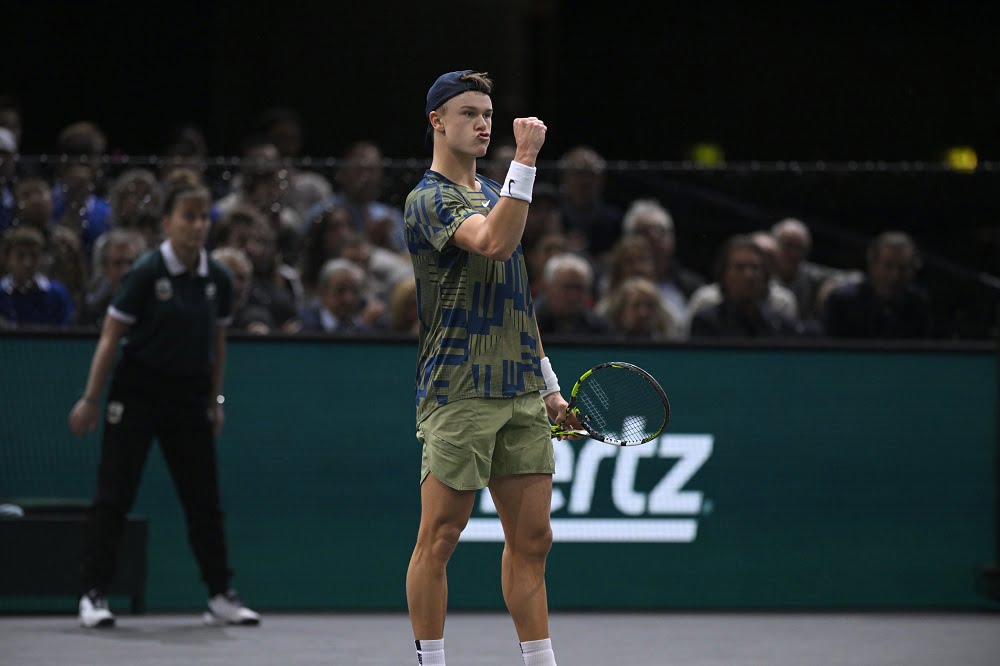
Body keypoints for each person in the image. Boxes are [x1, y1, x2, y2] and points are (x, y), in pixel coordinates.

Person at [402, 70, 580, 666]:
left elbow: (516, 297)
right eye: (469, 113)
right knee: (440, 538)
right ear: (437, 121)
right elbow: (493, 244)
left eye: (487, 114)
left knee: (534, 540)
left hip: (521, 390)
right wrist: (525, 159)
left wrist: (549, 387)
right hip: (458, 389)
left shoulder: (493, 192)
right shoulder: (428, 199)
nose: (483, 124)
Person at [66, 169, 260, 629]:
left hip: (189, 397)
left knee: (203, 500)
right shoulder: (146, 272)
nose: (198, 226)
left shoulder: (218, 278)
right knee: (114, 495)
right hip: (137, 391)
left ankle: (220, 595)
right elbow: (111, 337)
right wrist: (91, 399)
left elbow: (217, 345)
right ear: (167, 222)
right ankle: (93, 594)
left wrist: (215, 400)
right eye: (188, 217)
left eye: (203, 217)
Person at [824, 231, 932, 339]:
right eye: (888, 266)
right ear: (872, 265)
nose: (895, 276)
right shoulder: (843, 301)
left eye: (903, 268)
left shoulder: (918, 302)